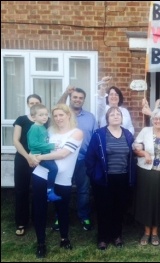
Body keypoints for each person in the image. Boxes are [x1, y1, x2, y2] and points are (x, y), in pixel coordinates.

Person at [31, 104, 83, 258]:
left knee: (62, 210)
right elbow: (36, 147)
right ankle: (41, 243)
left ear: (68, 115)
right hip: (41, 175)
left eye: (61, 115)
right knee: (39, 210)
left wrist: (38, 158)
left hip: (63, 179)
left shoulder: (77, 133)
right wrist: (31, 156)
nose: (58, 118)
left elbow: (63, 154)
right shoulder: (49, 131)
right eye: (55, 116)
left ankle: (64, 238)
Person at [85, 106, 136, 250]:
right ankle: (103, 238)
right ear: (107, 118)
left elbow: (132, 155)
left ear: (122, 118)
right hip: (104, 179)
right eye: (112, 114)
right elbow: (90, 158)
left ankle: (117, 236)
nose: (115, 116)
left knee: (119, 208)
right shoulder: (99, 134)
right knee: (103, 209)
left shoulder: (128, 135)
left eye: (118, 114)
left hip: (123, 178)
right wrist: (94, 175)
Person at [55, 85, 98, 231]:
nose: (78, 100)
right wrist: (66, 93)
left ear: (84, 100)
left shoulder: (90, 117)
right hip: (63, 159)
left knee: (84, 190)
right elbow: (58, 107)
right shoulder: (63, 115)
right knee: (61, 188)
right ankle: (58, 217)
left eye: (80, 98)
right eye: (75, 97)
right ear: (70, 99)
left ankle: (84, 216)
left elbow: (94, 138)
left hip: (82, 160)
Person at [133, 109, 160, 246]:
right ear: (152, 120)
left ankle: (155, 232)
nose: (158, 121)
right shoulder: (145, 131)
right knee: (146, 202)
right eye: (156, 119)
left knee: (159, 202)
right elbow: (135, 147)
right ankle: (146, 232)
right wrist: (144, 153)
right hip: (146, 172)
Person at [13, 94, 44, 237]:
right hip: (22, 159)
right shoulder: (21, 119)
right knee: (21, 190)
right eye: (31, 103)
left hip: (40, 160)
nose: (34, 104)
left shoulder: (45, 120)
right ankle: (21, 222)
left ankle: (38, 219)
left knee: (39, 191)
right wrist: (27, 157)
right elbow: (16, 140)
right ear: (28, 105)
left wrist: (37, 157)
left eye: (37, 102)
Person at [27, 104, 61, 202]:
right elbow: (33, 144)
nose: (44, 117)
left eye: (46, 114)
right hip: (37, 155)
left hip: (43, 154)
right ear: (33, 117)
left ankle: (50, 191)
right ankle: (50, 192)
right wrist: (51, 146)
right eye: (41, 115)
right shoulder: (34, 128)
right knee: (54, 168)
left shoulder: (42, 127)